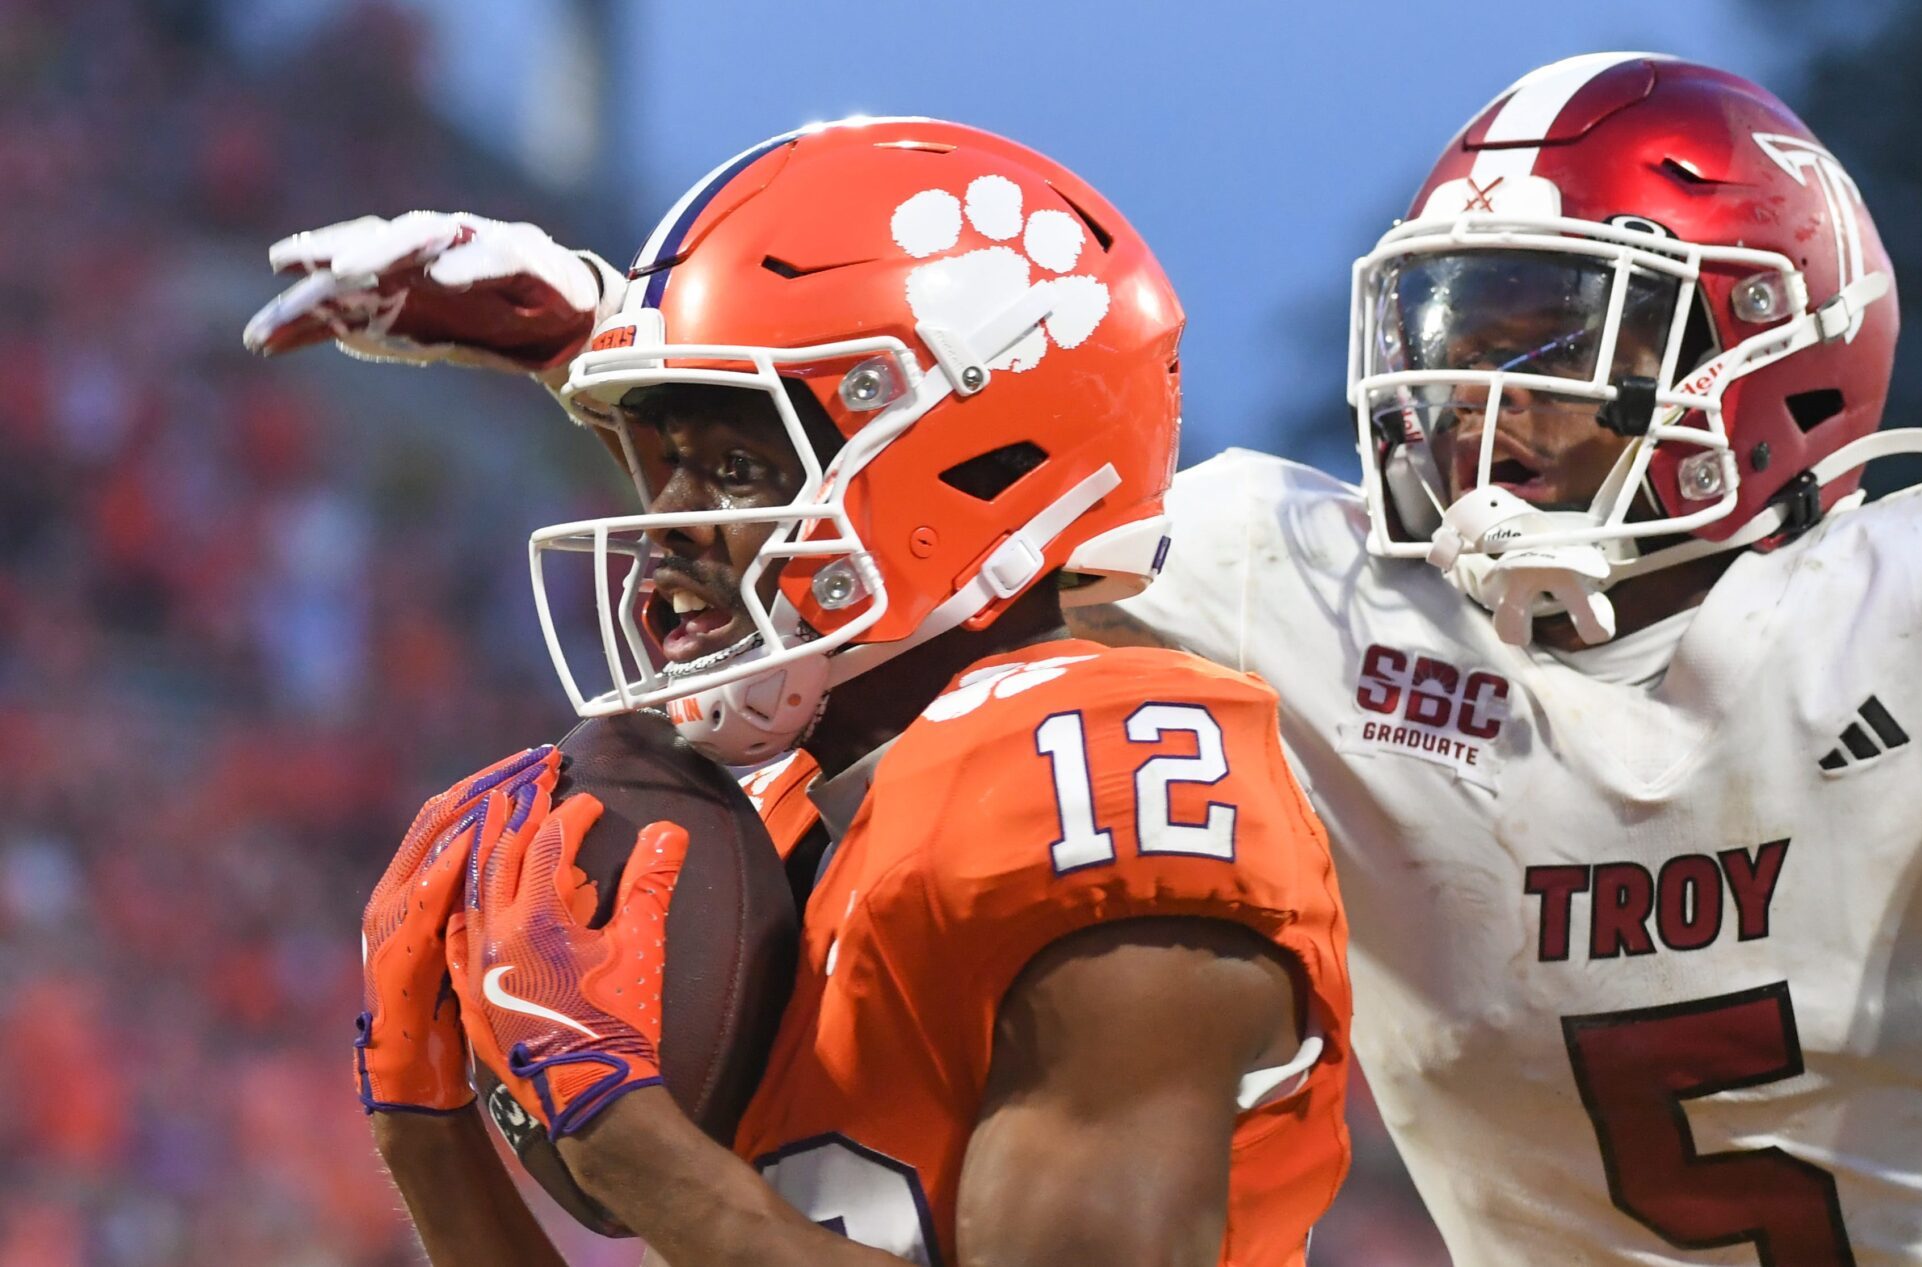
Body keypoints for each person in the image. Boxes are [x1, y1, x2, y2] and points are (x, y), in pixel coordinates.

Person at [255, 53, 1922, 1266]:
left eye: (1547, 335)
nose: (1465, 397)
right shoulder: (1313, 583)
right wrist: (625, 334)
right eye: (1449, 328)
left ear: (1762, 356)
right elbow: (950, 489)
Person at [307, 118, 1352, 1267]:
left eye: (741, 469)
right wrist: (427, 1125)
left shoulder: (1095, 775)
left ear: (972, 466)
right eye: (668, 463)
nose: (672, 530)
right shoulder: (808, 805)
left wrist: (624, 1136)